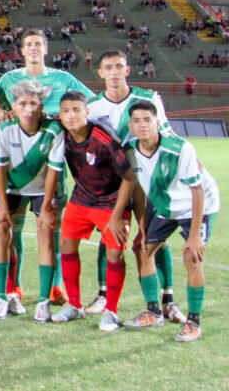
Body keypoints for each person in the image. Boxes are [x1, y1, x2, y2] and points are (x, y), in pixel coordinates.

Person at [85, 50, 182, 321]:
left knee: (154, 237)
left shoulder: (148, 98)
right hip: (112, 183)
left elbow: (166, 132)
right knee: (109, 236)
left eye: (119, 66)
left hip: (147, 180)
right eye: (109, 67)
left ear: (127, 70)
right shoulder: (93, 107)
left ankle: (167, 302)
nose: (114, 72)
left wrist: (184, 161)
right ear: (100, 72)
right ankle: (103, 295)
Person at [123, 102, 220, 343]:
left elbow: (197, 191)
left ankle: (194, 322)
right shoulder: (131, 150)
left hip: (197, 205)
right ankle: (154, 312)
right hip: (166, 206)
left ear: (158, 123)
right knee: (143, 250)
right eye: (137, 121)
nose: (142, 125)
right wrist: (144, 226)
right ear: (130, 126)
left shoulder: (179, 148)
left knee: (192, 256)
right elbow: (146, 188)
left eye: (148, 120)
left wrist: (195, 235)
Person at [43, 92, 135, 331]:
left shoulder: (103, 138)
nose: (71, 115)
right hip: (82, 198)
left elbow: (129, 177)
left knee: (114, 254)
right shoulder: (61, 130)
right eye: (66, 110)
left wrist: (117, 216)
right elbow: (35, 118)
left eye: (76, 110)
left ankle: (111, 311)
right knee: (66, 244)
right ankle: (74, 305)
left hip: (112, 202)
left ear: (87, 112)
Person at [0, 80, 66, 322]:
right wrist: (1, 204)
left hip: (44, 188)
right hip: (12, 188)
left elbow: (54, 170)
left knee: (46, 233)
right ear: (14, 105)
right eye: (23, 103)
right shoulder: (5, 128)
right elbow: (0, 169)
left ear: (41, 105)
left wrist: (46, 206)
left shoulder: (53, 130)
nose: (29, 108)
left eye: (34, 103)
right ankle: (2, 295)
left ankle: (43, 301)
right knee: (2, 231)